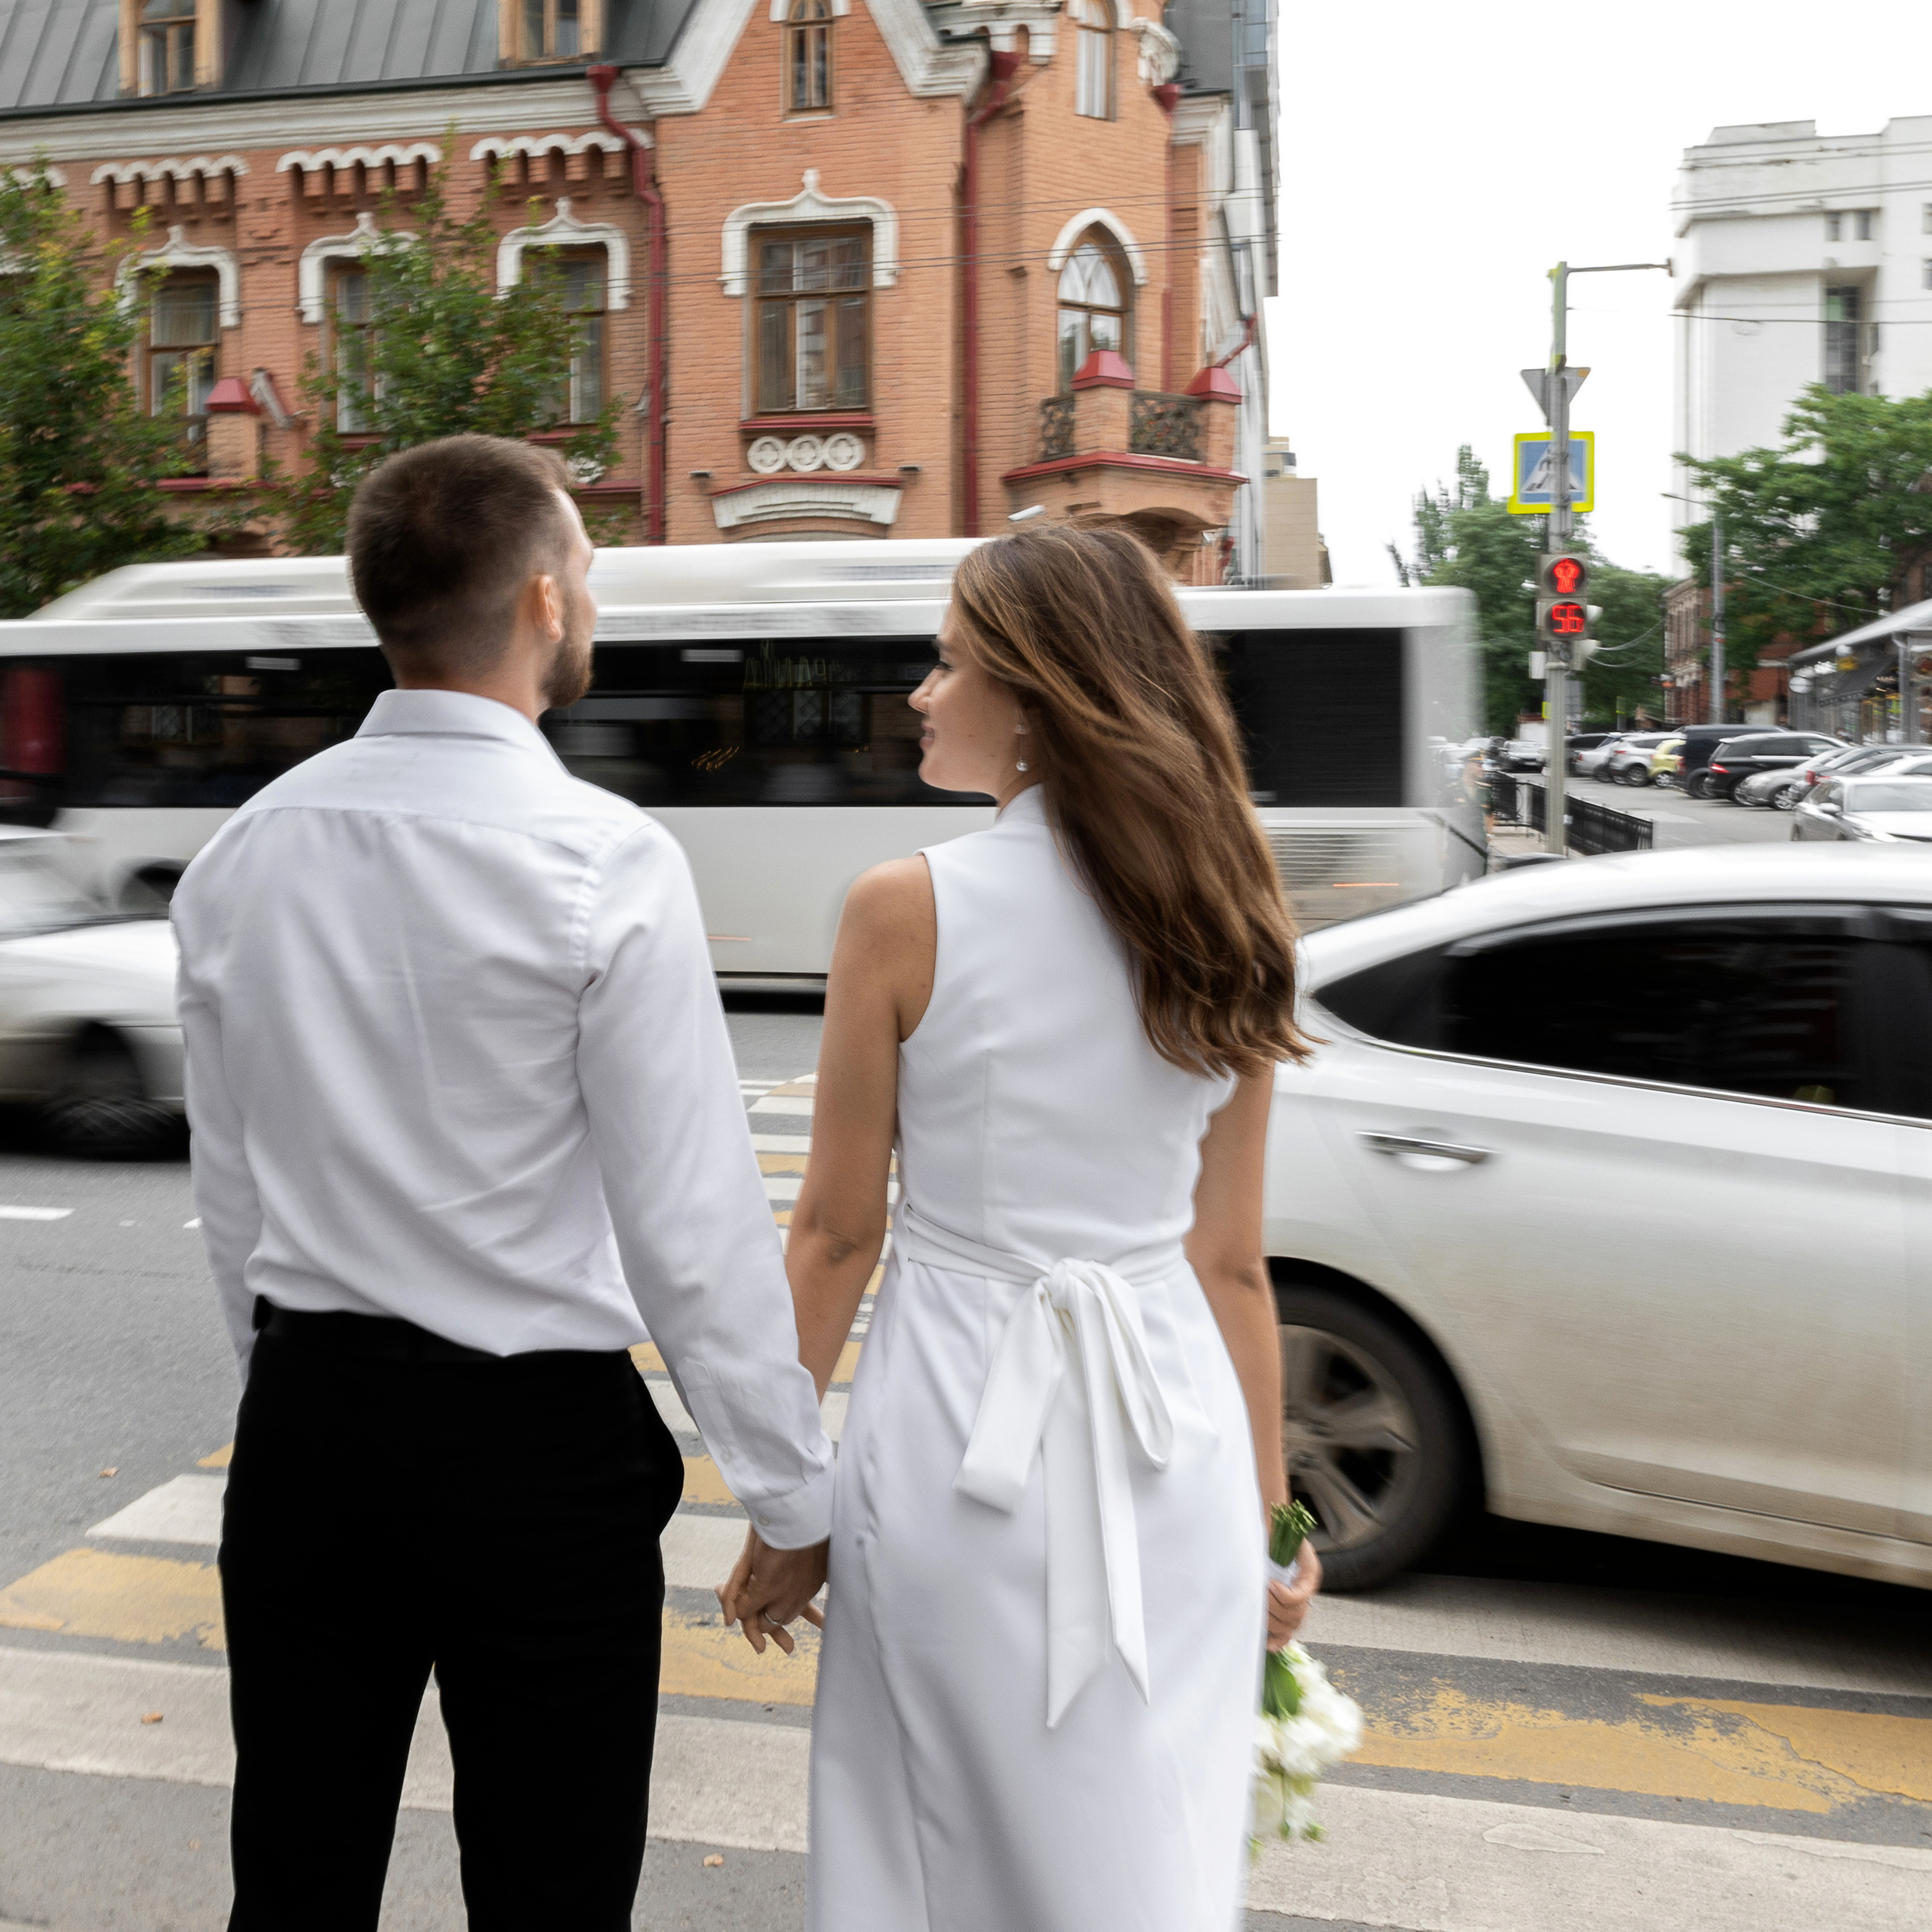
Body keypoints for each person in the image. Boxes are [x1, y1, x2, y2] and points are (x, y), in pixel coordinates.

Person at [172, 434, 833, 1932]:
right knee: (549, 1884)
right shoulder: (605, 861)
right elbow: (690, 1222)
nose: (588, 601)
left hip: (311, 1426)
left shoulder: (240, 857)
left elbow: (234, 1193)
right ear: (542, 600)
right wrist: (788, 1486)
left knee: (294, 1871)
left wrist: (294, 1385)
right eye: (586, 575)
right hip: (532, 1450)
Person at [721, 524, 1322, 1930]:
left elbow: (832, 1236)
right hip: (1172, 1455)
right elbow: (1230, 1261)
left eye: (948, 661)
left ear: (1039, 697)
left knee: (928, 1853)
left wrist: (782, 1504)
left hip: (957, 1447)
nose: (922, 693)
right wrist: (1272, 1523)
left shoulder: (903, 909)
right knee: (1145, 1861)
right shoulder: (1235, 915)